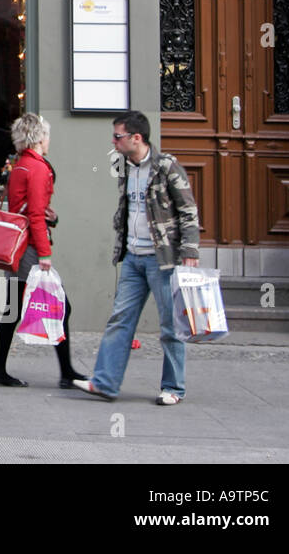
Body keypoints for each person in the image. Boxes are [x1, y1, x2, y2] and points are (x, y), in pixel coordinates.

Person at [75, 111, 200, 405]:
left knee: (171, 325)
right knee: (120, 319)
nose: (113, 141)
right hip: (133, 257)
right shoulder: (124, 167)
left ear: (136, 138)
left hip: (163, 259)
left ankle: (173, 388)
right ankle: (105, 383)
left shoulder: (167, 166)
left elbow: (188, 211)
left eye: (117, 136)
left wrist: (190, 251)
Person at [0, 113, 89, 388]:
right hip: (31, 249)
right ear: (38, 137)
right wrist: (44, 253)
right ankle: (66, 373)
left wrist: (47, 216)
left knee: (13, 310)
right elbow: (33, 214)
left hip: (19, 247)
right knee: (61, 307)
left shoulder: (21, 165)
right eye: (46, 134)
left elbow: (27, 208)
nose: (49, 139)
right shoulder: (39, 168)